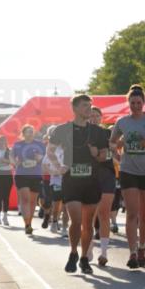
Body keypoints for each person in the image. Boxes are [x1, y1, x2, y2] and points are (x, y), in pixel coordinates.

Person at [49, 95, 109, 274]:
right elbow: (50, 150)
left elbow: (104, 156)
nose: (88, 109)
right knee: (75, 221)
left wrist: (96, 153)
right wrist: (59, 166)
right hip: (72, 180)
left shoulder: (98, 132)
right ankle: (73, 252)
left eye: (90, 106)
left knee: (88, 224)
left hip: (92, 181)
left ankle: (84, 258)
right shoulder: (62, 129)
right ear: (74, 108)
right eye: (84, 106)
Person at [110, 85, 145, 269]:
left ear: (144, 103)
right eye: (132, 103)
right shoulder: (122, 122)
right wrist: (117, 149)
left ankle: (142, 247)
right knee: (132, 213)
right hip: (128, 171)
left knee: (144, 214)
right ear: (128, 103)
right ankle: (132, 253)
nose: (135, 106)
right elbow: (111, 143)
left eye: (138, 103)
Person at [89, 106, 118, 267]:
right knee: (89, 215)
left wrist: (105, 153)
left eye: (96, 116)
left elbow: (112, 153)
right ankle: (89, 248)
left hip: (107, 174)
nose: (93, 118)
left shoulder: (107, 133)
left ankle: (104, 252)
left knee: (104, 213)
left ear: (101, 118)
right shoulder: (82, 133)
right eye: (91, 116)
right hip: (89, 176)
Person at [11, 125, 46, 236]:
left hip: (36, 175)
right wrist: (15, 162)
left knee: (32, 201)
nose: (30, 133)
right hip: (22, 175)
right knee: (25, 199)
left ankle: (29, 223)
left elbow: (46, 157)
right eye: (28, 132)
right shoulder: (18, 145)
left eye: (31, 131)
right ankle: (27, 224)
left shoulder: (40, 144)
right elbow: (11, 156)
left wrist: (40, 158)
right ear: (23, 133)